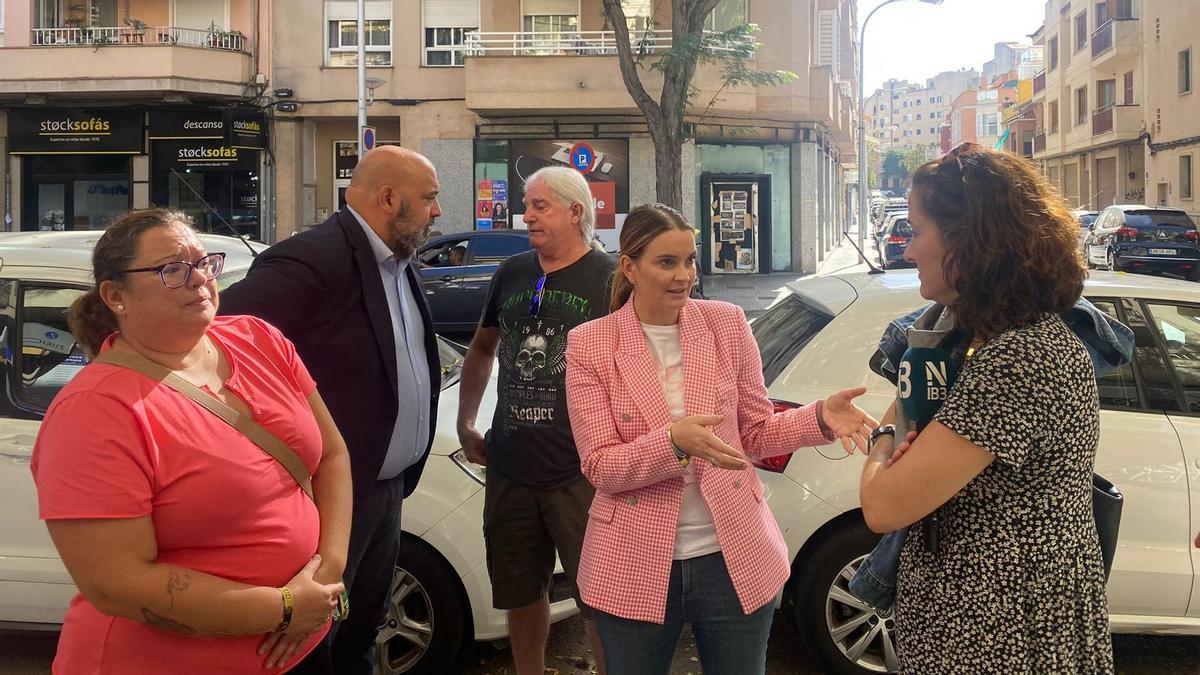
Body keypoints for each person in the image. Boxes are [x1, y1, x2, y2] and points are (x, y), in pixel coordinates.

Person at [31, 209, 350, 674]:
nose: (199, 279)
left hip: (302, 644)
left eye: (204, 262)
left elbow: (333, 456)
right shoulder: (95, 409)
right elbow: (116, 584)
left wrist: (325, 579)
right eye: (172, 270)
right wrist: (283, 608)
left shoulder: (259, 339)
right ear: (115, 295)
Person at [564, 204, 877, 675]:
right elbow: (600, 466)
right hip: (633, 558)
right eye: (666, 262)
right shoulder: (590, 344)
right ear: (629, 267)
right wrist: (672, 443)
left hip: (733, 555)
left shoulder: (726, 324)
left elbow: (753, 432)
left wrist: (819, 419)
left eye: (689, 260)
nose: (683, 276)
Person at [858, 142, 1114, 672]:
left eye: (919, 229)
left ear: (971, 241)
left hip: (1002, 628)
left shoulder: (1019, 357)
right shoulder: (987, 341)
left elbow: (883, 507)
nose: (908, 249)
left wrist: (883, 440)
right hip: (982, 617)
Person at [219, 146, 443, 674]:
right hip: (330, 496)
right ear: (390, 199)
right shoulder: (314, 259)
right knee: (314, 641)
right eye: (429, 198)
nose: (437, 211)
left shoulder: (397, 260)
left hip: (386, 488)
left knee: (361, 631)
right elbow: (225, 343)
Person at [457, 166, 614, 675]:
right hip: (510, 465)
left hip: (581, 471)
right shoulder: (512, 272)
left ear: (576, 211)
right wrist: (466, 421)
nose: (526, 216)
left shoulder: (611, 280)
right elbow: (482, 350)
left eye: (539, 206)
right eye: (526, 205)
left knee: (599, 597)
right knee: (521, 592)